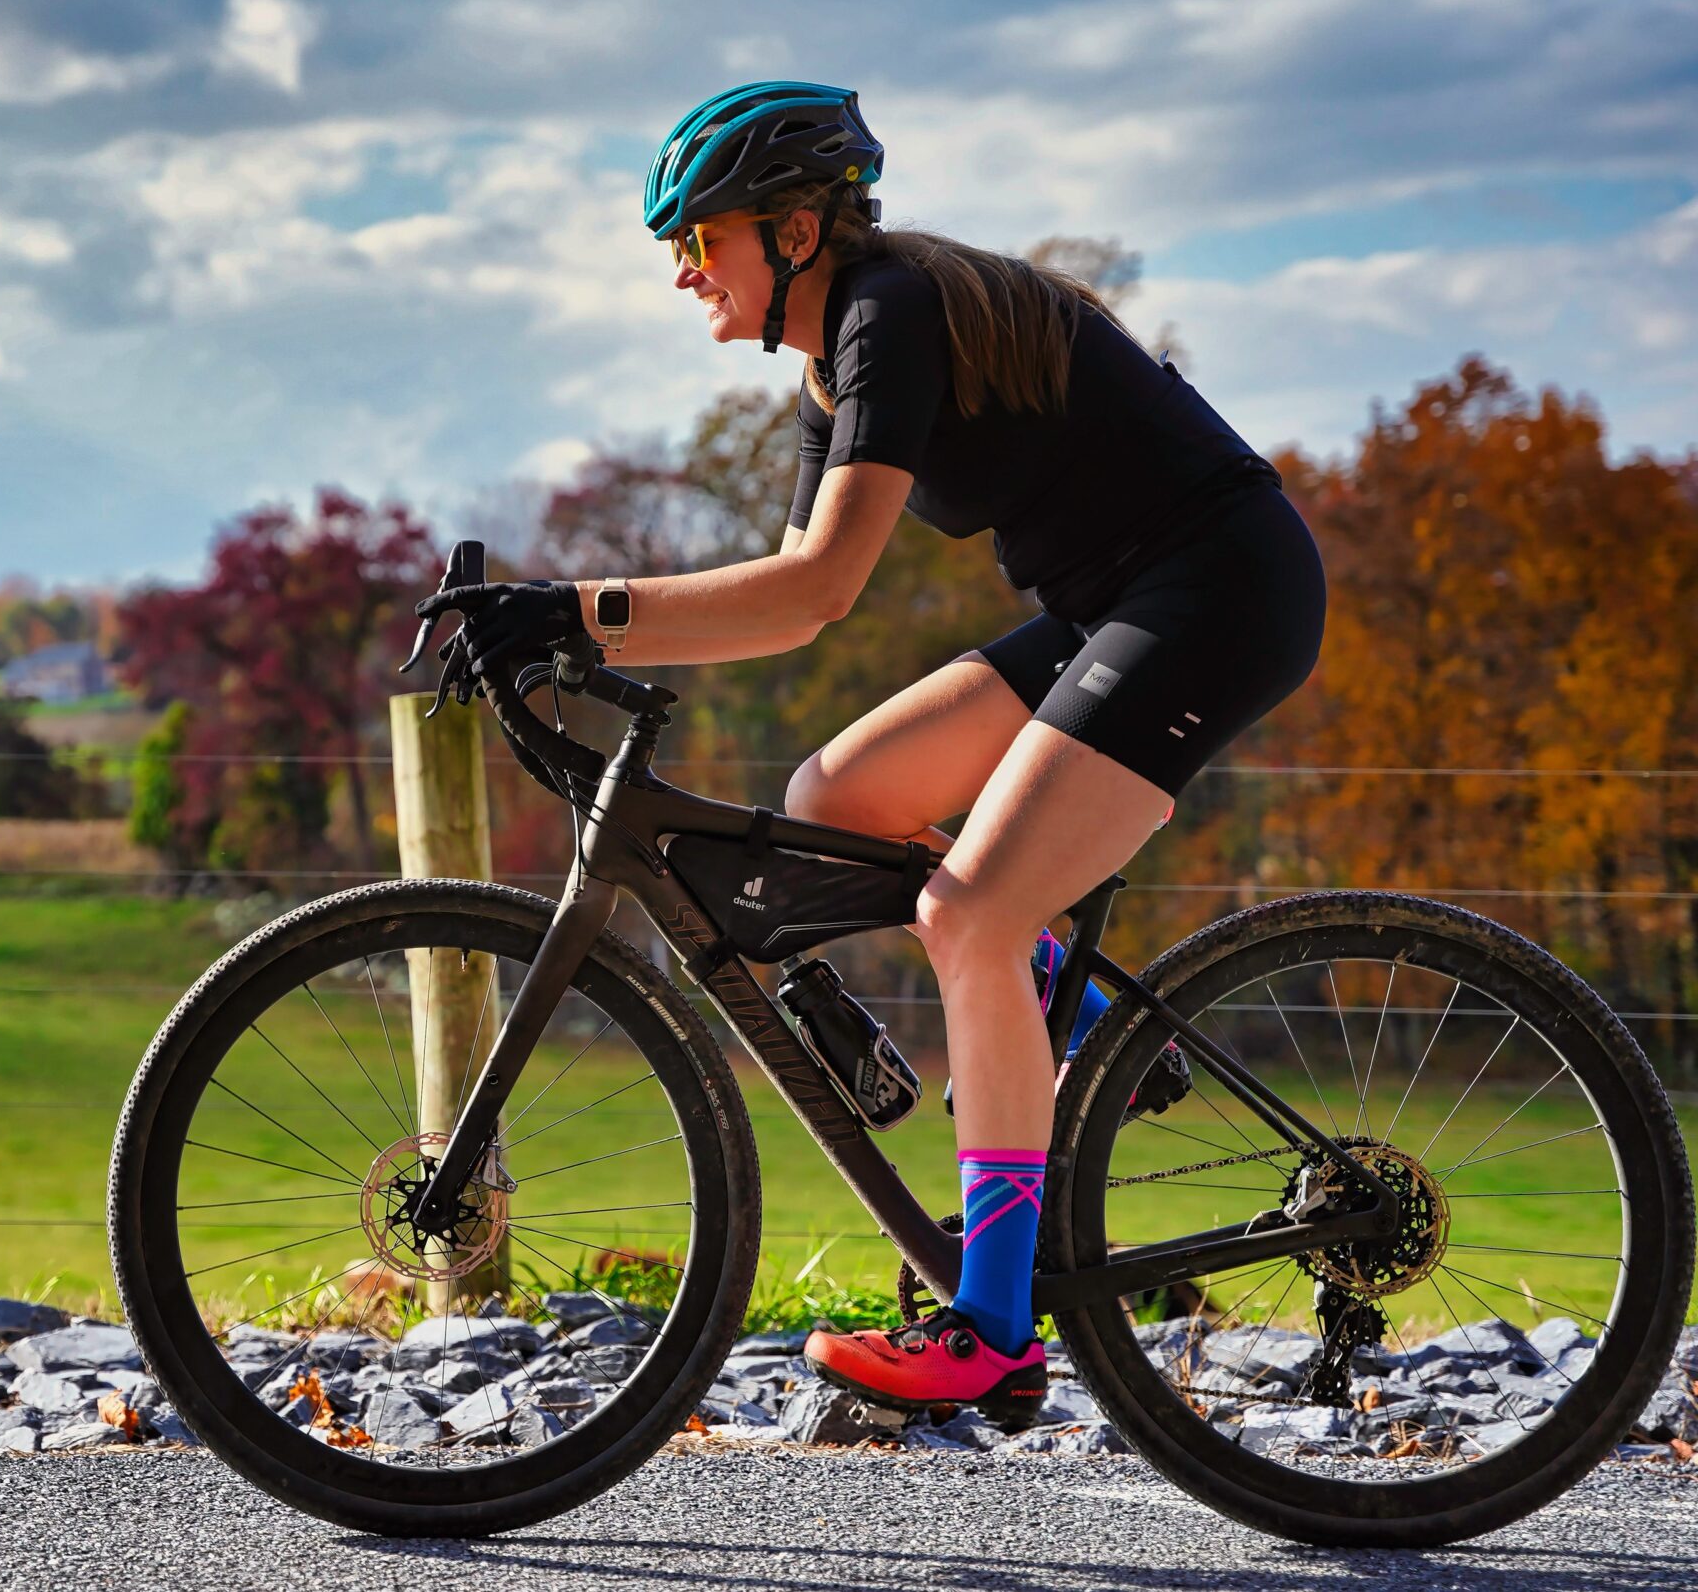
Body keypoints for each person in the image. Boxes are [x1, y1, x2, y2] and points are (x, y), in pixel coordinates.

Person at [435, 81, 1325, 1417]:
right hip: (1115, 602)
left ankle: (995, 1325)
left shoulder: (884, 313)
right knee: (839, 793)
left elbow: (818, 592)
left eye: (701, 239)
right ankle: (1084, 1026)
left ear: (795, 229)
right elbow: (792, 588)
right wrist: (580, 626)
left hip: (1216, 592)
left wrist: (576, 612)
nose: (682, 273)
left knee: (969, 909)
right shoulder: (829, 365)